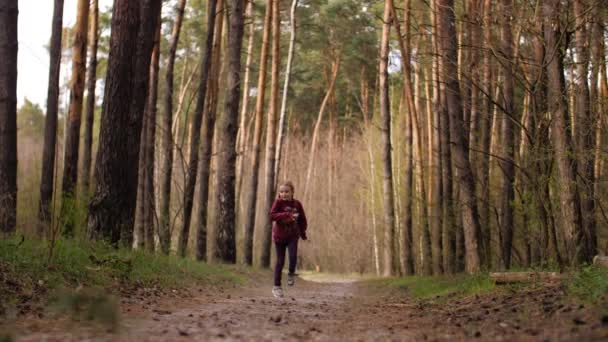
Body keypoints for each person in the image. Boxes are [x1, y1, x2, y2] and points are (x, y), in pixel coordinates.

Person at [269, 181, 308, 298]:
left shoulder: (297, 204)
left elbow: (302, 220)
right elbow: (271, 215)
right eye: (281, 192)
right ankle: (277, 287)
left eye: (287, 191)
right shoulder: (278, 203)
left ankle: (291, 273)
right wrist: (285, 215)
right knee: (280, 262)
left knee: (292, 257)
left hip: (292, 236)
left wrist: (303, 232)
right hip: (279, 237)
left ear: (292, 192)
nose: (284, 194)